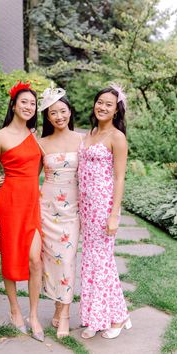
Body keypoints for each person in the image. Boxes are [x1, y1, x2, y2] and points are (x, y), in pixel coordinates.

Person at [0, 81, 44, 342]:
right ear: (14, 104)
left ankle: (34, 314)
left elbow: (40, 166)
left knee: (35, 260)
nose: (29, 107)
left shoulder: (35, 135)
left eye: (33, 103)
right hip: (9, 204)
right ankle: (14, 310)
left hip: (32, 203)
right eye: (24, 102)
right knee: (10, 258)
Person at [78, 84, 131, 339]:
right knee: (92, 262)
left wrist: (113, 215)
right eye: (100, 101)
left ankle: (113, 318)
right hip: (86, 209)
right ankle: (102, 316)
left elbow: (120, 178)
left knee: (101, 262)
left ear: (116, 109)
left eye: (109, 104)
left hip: (104, 208)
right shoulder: (89, 133)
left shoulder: (117, 137)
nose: (102, 107)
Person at [37, 86, 82, 338]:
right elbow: (30, 176)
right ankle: (57, 305)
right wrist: (5, 180)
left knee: (66, 259)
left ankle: (65, 314)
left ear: (69, 112)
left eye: (63, 111)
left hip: (73, 210)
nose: (59, 116)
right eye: (53, 113)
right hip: (47, 208)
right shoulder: (40, 143)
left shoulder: (82, 139)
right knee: (51, 261)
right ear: (48, 117)